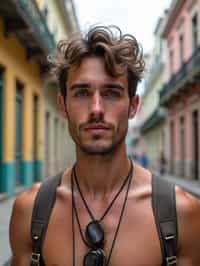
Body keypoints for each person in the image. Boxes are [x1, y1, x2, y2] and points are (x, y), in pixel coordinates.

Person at [9, 25, 200, 266]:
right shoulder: (30, 211)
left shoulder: (181, 214)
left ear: (133, 106)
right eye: (81, 93)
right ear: (63, 105)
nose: (96, 108)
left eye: (111, 93)